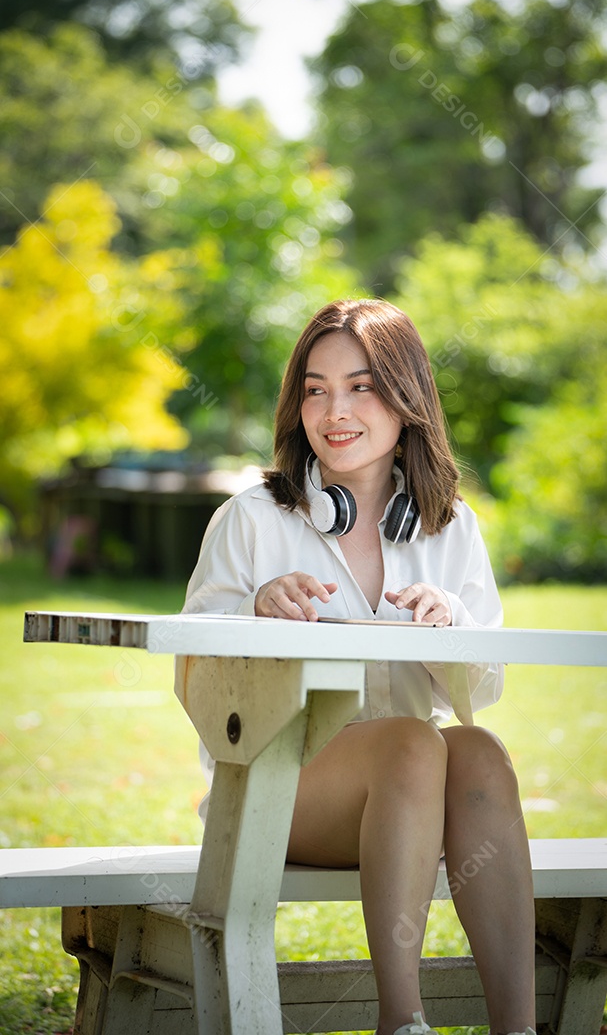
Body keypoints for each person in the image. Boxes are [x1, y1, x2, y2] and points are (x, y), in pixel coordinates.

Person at [181, 298, 537, 1035]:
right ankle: (400, 1021)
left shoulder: (451, 528)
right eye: (315, 388)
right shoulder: (251, 518)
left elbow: (488, 687)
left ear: (406, 399)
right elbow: (192, 675)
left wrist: (452, 625)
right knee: (412, 740)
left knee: (476, 749)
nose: (332, 409)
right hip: (276, 789)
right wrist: (254, 607)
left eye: (360, 386)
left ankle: (519, 1028)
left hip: (413, 794)